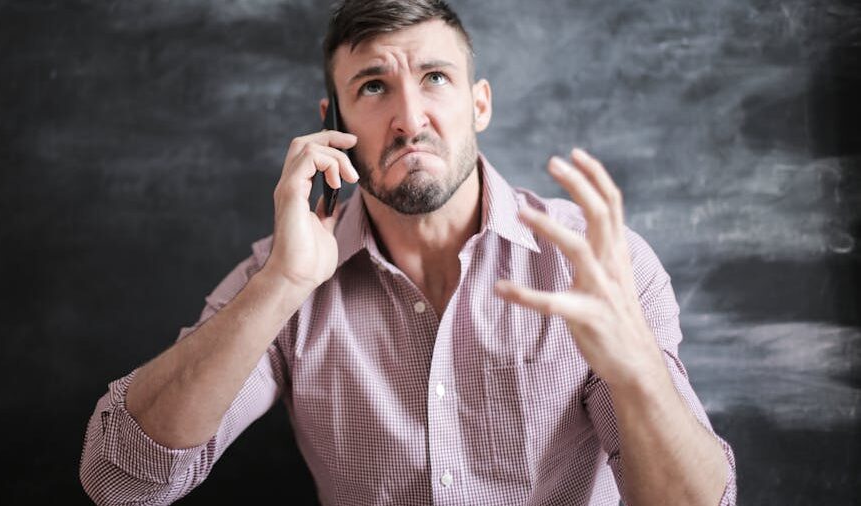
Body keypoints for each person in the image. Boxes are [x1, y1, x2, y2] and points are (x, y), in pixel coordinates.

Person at [79, 1, 737, 504]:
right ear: (332, 121)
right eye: (373, 87)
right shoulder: (285, 276)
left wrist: (638, 374)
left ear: (479, 104)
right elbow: (121, 482)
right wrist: (282, 283)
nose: (410, 117)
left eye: (436, 78)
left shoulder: (597, 264)